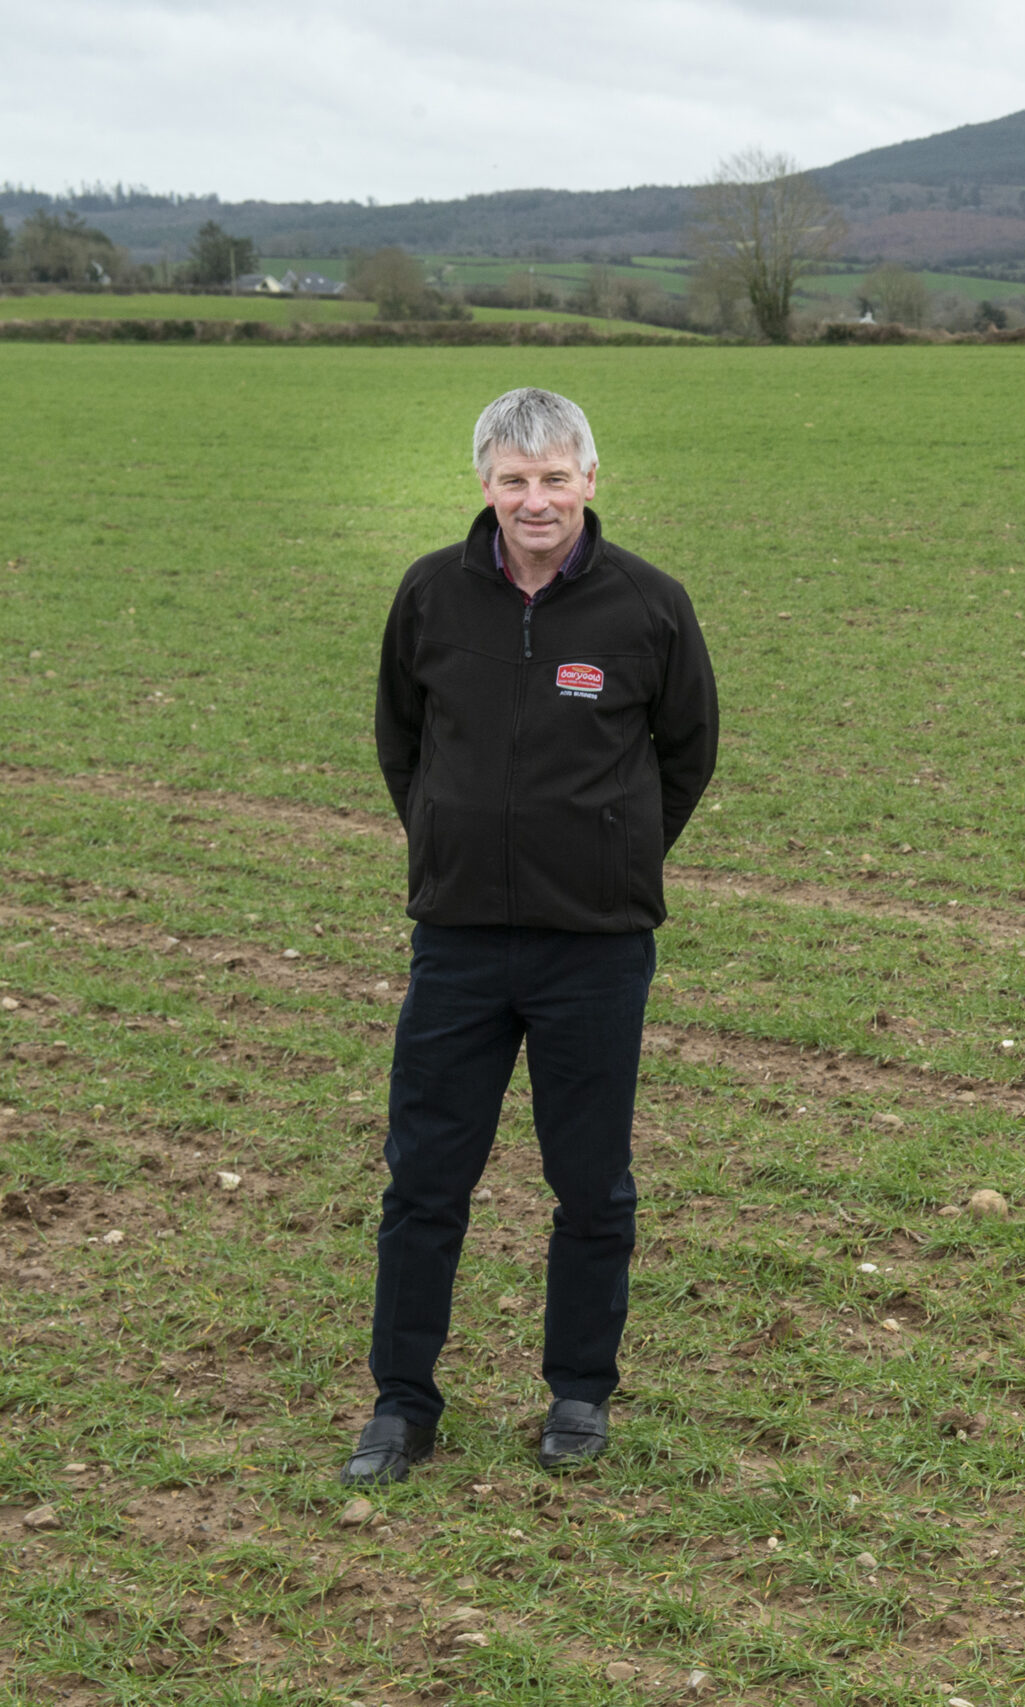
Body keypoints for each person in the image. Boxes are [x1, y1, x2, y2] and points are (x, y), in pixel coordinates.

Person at [345, 388, 719, 1485]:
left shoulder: (648, 606)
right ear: (485, 487)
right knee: (424, 1182)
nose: (536, 499)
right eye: (515, 479)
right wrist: (449, 844)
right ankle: (402, 1406)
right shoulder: (429, 595)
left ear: (591, 481)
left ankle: (577, 1397)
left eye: (556, 477)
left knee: (590, 1185)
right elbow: (400, 741)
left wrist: (612, 854)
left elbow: (686, 754)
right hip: (457, 943)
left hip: (593, 949)